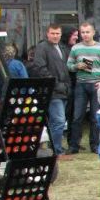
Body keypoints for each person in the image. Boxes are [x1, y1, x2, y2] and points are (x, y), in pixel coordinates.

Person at [67, 22, 100, 153]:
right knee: (77, 117)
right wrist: (76, 66)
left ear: (93, 33)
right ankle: (74, 146)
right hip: (81, 84)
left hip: (96, 84)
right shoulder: (75, 48)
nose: (85, 35)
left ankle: (95, 145)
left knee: (95, 117)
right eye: (83, 32)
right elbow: (68, 65)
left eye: (87, 32)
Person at [32, 23, 72, 156]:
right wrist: (56, 84)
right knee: (59, 121)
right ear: (47, 34)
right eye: (52, 33)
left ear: (61, 34)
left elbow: (67, 68)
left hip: (64, 90)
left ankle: (56, 147)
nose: (55, 36)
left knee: (58, 121)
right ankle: (57, 150)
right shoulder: (42, 47)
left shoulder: (62, 48)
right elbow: (40, 68)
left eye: (57, 33)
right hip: (53, 91)